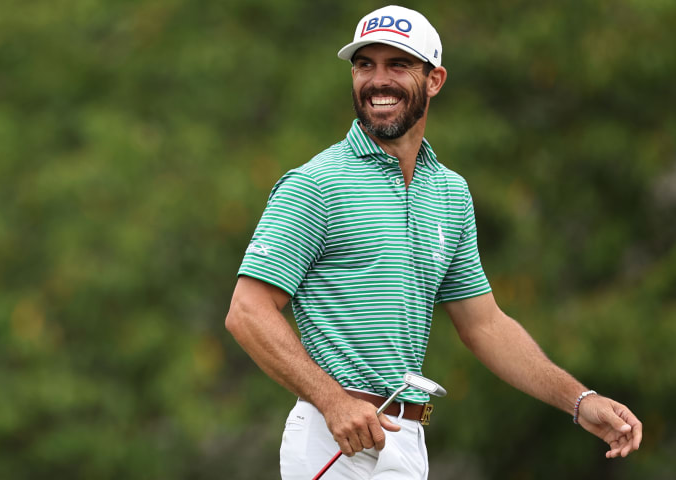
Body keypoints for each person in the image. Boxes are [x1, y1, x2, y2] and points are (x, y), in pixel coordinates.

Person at [225, 5, 642, 479]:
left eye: (397, 65)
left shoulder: (449, 192)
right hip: (332, 437)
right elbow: (247, 311)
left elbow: (484, 324)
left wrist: (579, 400)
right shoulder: (316, 184)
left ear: (435, 79)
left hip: (408, 440)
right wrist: (332, 401)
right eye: (365, 65)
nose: (377, 80)